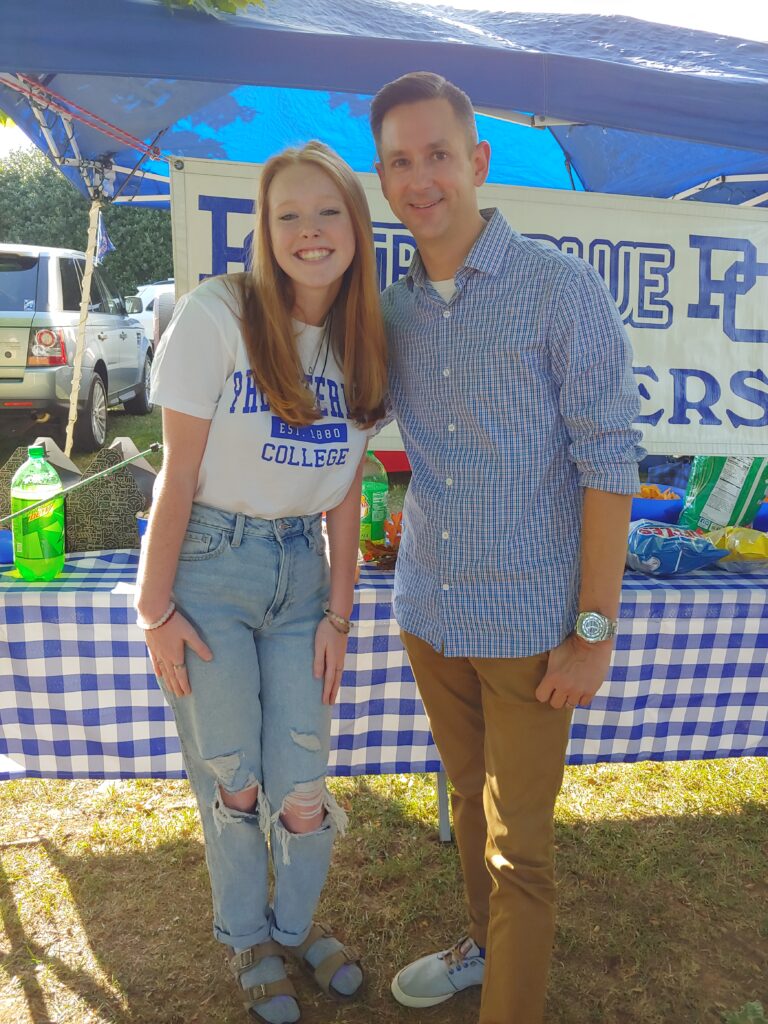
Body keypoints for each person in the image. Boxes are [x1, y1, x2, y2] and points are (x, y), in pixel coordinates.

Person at [370, 72, 644, 1024]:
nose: (421, 177)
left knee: (519, 848)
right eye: (399, 160)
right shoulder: (392, 310)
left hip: (531, 625)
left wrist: (594, 629)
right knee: (464, 799)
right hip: (431, 613)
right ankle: (485, 950)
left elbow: (611, 466)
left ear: (476, 161)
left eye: (437, 154)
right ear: (384, 178)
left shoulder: (558, 291)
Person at [134, 140, 387, 1024]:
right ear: (263, 230)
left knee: (305, 785)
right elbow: (176, 474)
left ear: (355, 226)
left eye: (328, 212)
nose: (309, 232)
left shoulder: (366, 336)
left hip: (302, 573)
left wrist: (341, 616)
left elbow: (351, 489)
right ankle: (248, 935)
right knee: (236, 779)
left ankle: (294, 923)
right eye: (288, 215)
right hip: (210, 565)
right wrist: (154, 609)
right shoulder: (219, 315)